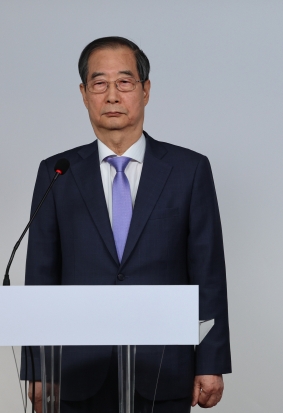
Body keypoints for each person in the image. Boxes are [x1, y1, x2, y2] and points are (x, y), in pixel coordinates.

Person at [21, 36, 231, 412]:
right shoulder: (57, 173)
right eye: (100, 84)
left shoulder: (189, 170)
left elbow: (208, 271)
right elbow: (41, 276)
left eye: (125, 82)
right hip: (76, 369)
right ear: (84, 94)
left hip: (165, 365)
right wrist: (37, 368)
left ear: (145, 90)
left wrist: (211, 361)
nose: (112, 95)